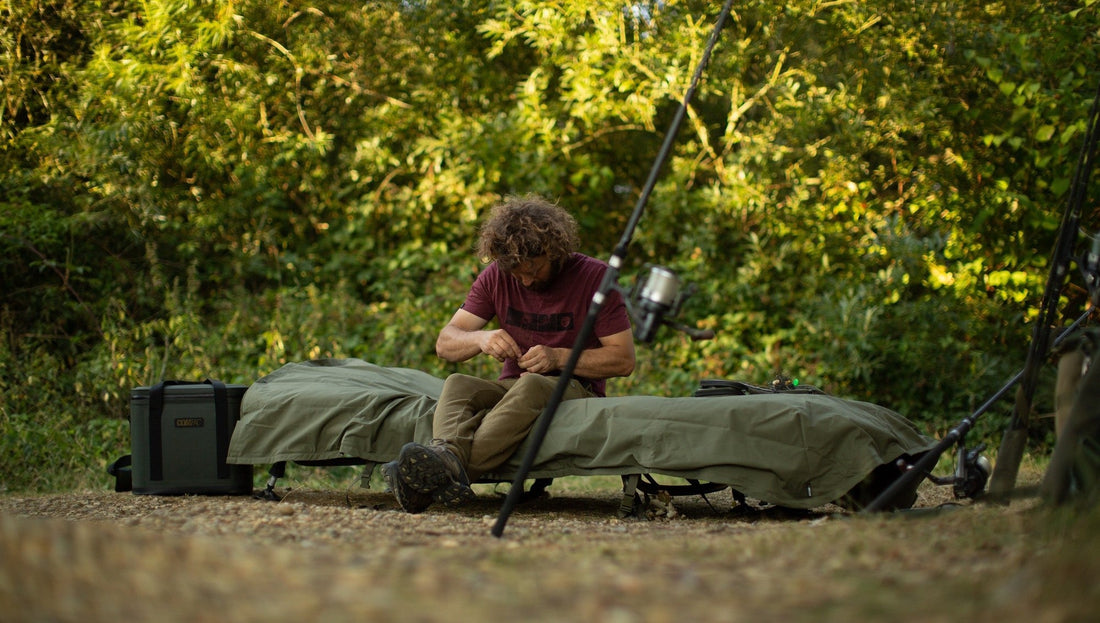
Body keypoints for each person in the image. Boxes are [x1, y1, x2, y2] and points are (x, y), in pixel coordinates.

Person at [382, 194, 636, 513]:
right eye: (517, 273)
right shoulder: (496, 276)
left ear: (555, 250)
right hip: (514, 386)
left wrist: (558, 358)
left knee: (531, 384)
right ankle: (446, 458)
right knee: (459, 382)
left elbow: (624, 360)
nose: (526, 280)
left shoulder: (595, 277)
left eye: (535, 269)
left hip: (576, 388)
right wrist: (481, 339)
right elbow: (446, 343)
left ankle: (436, 478)